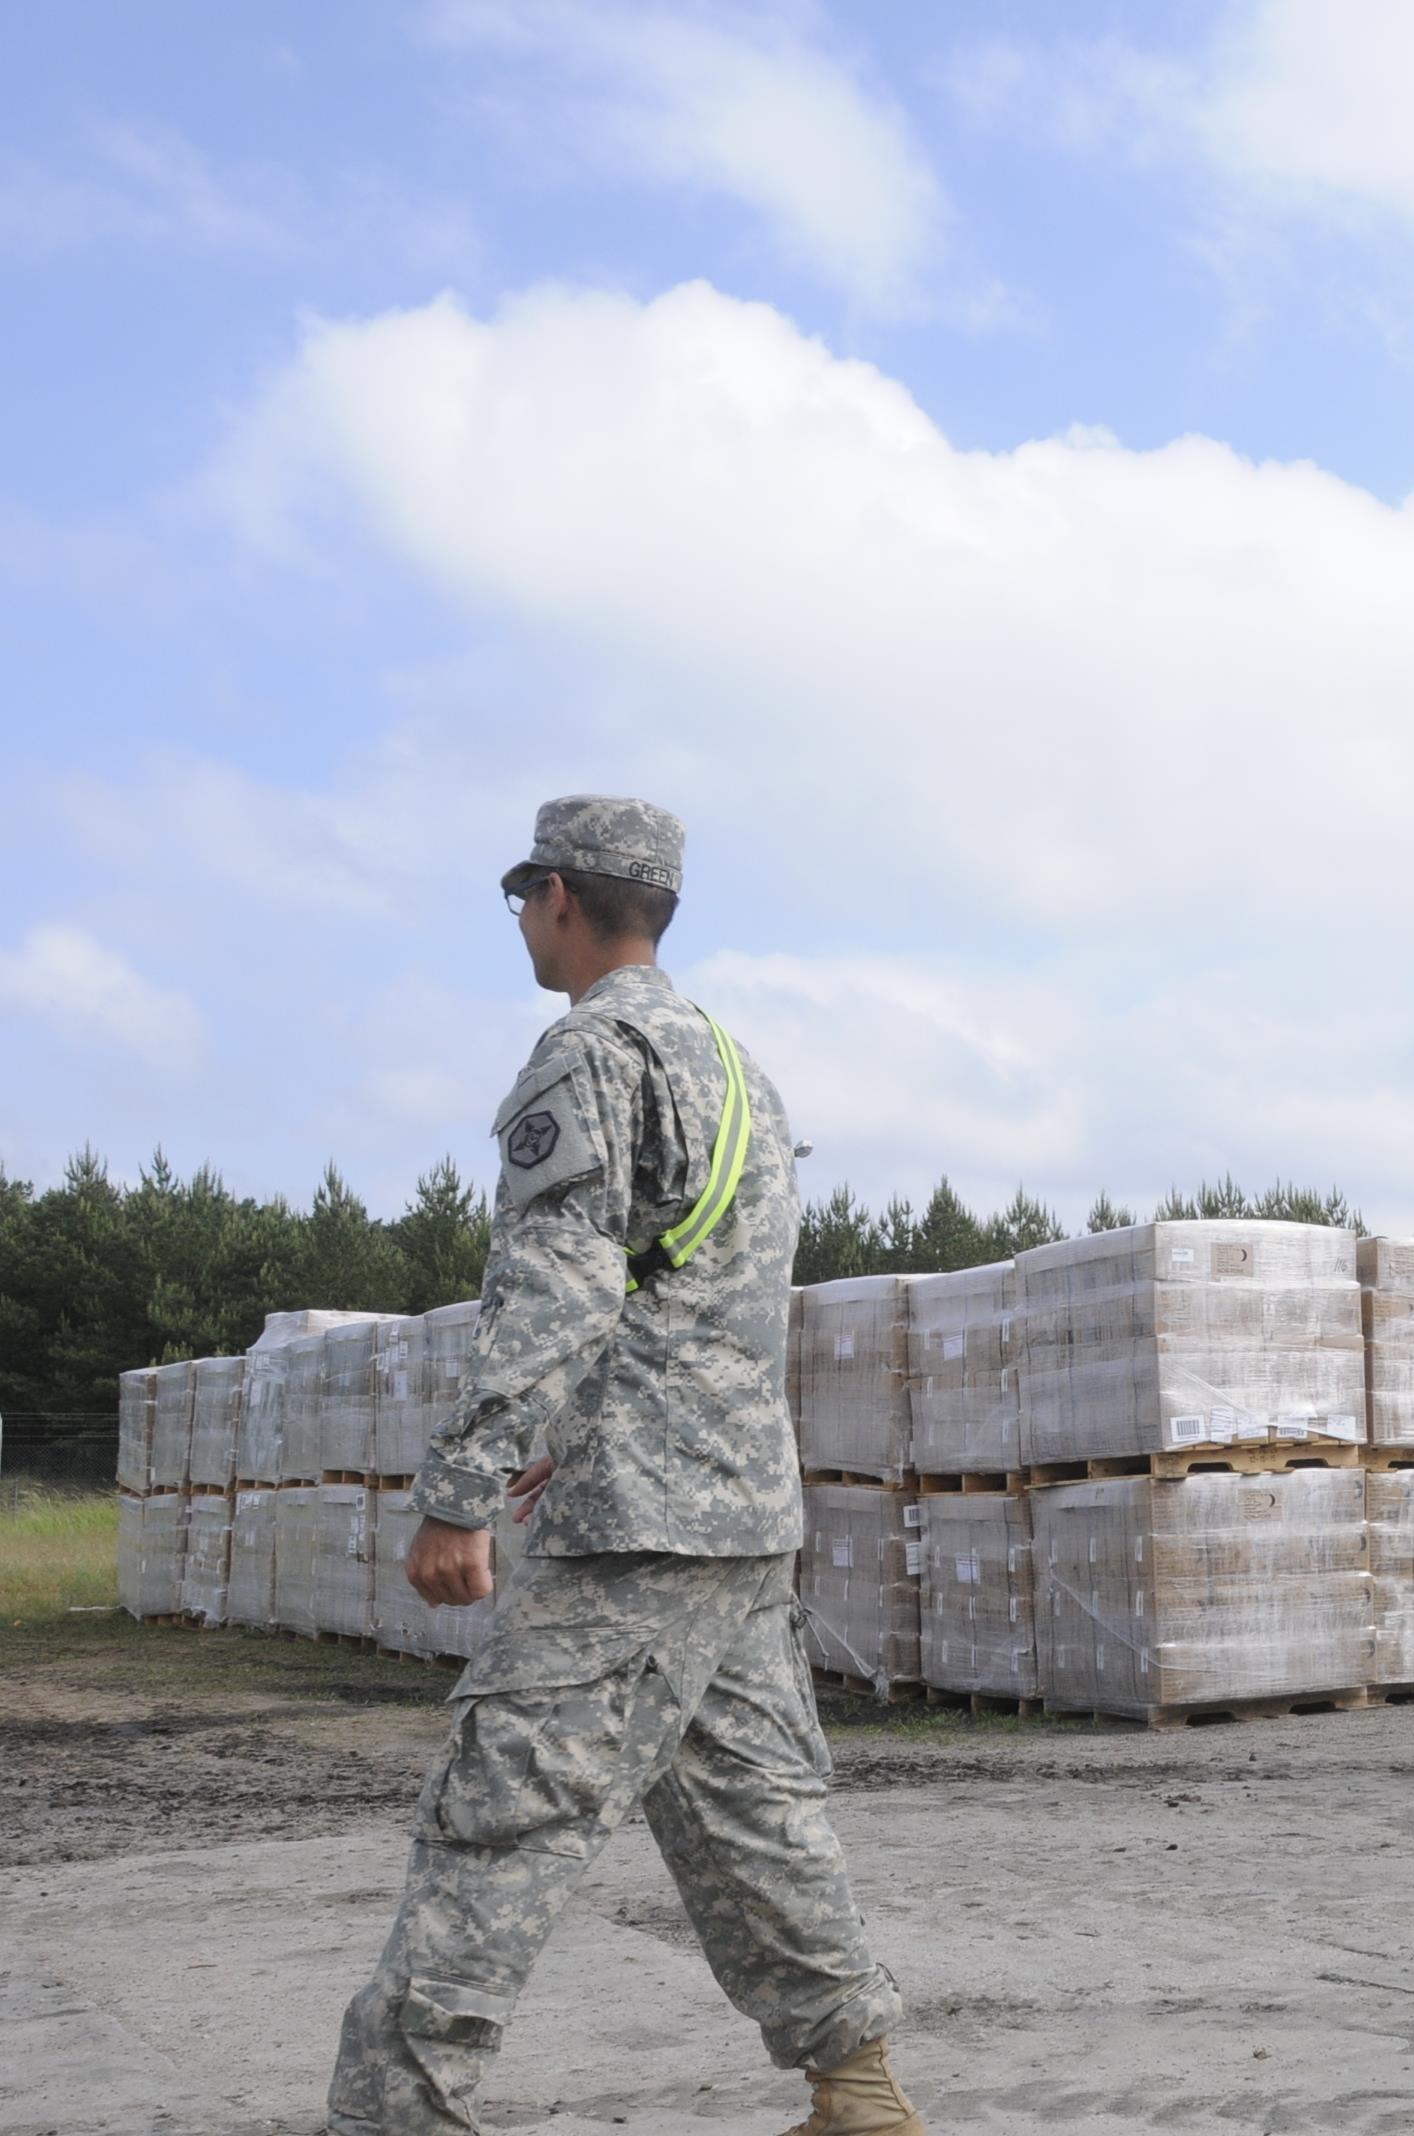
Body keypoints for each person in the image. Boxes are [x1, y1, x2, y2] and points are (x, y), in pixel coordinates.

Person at [328, 797, 923, 2136]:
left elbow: (557, 1287)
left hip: (634, 1527)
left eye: (524, 900)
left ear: (556, 897)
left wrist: (463, 1490)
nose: (525, 924)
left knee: (501, 1815)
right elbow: (703, 1297)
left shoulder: (585, 1055)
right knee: (749, 1813)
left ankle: (396, 2114)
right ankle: (859, 2089)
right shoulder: (738, 1067)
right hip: (741, 1511)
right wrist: (592, 1423)